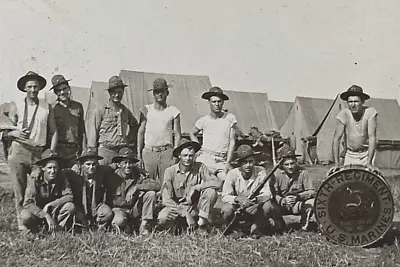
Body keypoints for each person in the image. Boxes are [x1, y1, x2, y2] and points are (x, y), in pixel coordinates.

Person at [4, 71, 58, 230]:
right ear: (24, 88)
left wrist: (51, 153)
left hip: (38, 152)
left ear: (40, 87)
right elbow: (7, 129)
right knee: (19, 188)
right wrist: (13, 132)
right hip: (19, 150)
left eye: (36, 86)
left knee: (40, 186)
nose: (33, 89)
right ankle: (23, 224)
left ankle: (40, 219)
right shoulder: (16, 105)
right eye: (30, 87)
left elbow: (54, 131)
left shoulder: (46, 106)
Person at [158, 139, 222, 232]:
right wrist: (184, 213)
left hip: (194, 207)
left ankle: (201, 226)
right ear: (179, 155)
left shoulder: (200, 167)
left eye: (191, 156)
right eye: (185, 155)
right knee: (162, 219)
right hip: (176, 207)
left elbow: (217, 183)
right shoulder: (170, 171)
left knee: (211, 192)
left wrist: (196, 187)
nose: (188, 158)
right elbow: (166, 199)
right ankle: (181, 224)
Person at [221, 145, 279, 238]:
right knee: (227, 209)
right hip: (238, 208)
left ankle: (257, 227)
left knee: (268, 206)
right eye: (244, 162)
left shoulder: (261, 171)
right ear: (239, 163)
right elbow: (224, 196)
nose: (248, 165)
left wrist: (255, 200)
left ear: (254, 161)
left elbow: (268, 194)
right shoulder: (232, 174)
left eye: (250, 161)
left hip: (254, 208)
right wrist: (237, 199)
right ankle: (234, 228)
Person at [137, 78, 181, 184]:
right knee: (146, 183)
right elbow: (140, 133)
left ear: (167, 92)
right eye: (157, 92)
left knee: (167, 183)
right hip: (149, 152)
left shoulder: (173, 111)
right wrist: (139, 156)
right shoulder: (146, 110)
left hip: (167, 152)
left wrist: (175, 154)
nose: (160, 94)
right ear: (153, 94)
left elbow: (178, 134)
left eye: (162, 91)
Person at [86, 75, 138, 165]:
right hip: (105, 151)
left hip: (120, 152)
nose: (117, 95)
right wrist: (92, 155)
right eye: (114, 92)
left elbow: (134, 125)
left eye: (119, 92)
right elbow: (93, 133)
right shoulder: (100, 110)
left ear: (123, 92)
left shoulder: (125, 111)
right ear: (110, 93)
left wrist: (128, 140)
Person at [107, 148, 160, 235]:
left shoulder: (138, 175)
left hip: (134, 209)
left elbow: (157, 185)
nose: (128, 166)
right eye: (125, 163)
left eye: (130, 163)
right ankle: (128, 226)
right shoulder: (112, 178)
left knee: (151, 194)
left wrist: (137, 187)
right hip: (119, 209)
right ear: (119, 164)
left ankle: (144, 226)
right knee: (118, 221)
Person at [20, 150, 75, 233]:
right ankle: (36, 230)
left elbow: (69, 196)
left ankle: (57, 229)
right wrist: (44, 215)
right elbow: (27, 203)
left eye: (55, 167)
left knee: (70, 207)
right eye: (49, 168)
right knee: (25, 215)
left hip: (54, 211)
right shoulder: (35, 179)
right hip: (38, 213)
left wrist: (51, 205)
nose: (53, 171)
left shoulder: (61, 176)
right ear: (43, 168)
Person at [190, 87, 237, 181]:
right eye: (214, 101)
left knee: (229, 181)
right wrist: (197, 147)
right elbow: (192, 133)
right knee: (197, 179)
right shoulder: (203, 120)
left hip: (221, 161)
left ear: (223, 102)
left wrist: (228, 162)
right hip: (206, 158)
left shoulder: (230, 118)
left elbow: (232, 141)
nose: (217, 104)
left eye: (219, 101)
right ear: (209, 102)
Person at [332, 85, 377, 168]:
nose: (353, 105)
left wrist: (369, 162)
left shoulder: (370, 113)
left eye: (356, 101)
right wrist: (336, 163)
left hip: (366, 154)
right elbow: (336, 139)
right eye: (350, 102)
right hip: (350, 154)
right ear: (347, 103)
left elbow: (372, 137)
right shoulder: (343, 114)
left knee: (369, 178)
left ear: (362, 102)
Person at [67, 148, 113, 229]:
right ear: (81, 164)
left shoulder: (102, 172)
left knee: (107, 213)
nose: (91, 167)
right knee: (77, 216)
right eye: (88, 164)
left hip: (97, 206)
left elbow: (116, 166)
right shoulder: (74, 174)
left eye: (94, 164)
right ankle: (80, 225)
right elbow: (60, 172)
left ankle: (98, 223)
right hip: (80, 206)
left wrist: (137, 169)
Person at [273, 146, 316, 231]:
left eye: (292, 163)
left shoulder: (303, 172)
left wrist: (299, 197)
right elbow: (273, 194)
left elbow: (312, 191)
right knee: (270, 205)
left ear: (296, 162)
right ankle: (279, 225)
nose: (290, 167)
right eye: (286, 164)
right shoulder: (276, 174)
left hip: (298, 203)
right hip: (282, 205)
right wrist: (283, 200)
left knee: (313, 202)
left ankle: (304, 225)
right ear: (281, 165)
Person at [49, 74, 86, 167]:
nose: (62, 92)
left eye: (64, 88)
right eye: (58, 90)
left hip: (75, 151)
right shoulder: (52, 109)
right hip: (59, 151)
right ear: (55, 92)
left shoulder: (78, 107)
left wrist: (84, 150)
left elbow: (82, 131)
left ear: (69, 88)